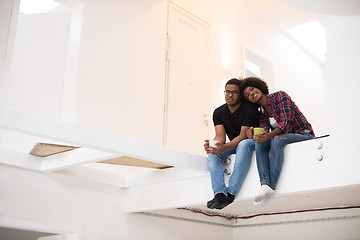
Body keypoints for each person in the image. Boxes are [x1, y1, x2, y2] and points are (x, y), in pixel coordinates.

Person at [241, 77, 315, 206]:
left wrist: (267, 135)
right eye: (248, 95)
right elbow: (264, 132)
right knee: (260, 142)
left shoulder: (280, 96)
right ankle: (264, 184)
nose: (251, 93)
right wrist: (254, 135)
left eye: (252, 89)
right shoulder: (262, 113)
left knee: (276, 139)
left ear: (259, 87)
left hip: (303, 134)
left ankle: (272, 188)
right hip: (285, 136)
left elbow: (285, 124)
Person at [204, 78, 259, 210]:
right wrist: (214, 146)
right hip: (234, 145)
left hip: (252, 142)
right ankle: (220, 194)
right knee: (212, 155)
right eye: (227, 92)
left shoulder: (249, 109)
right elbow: (220, 136)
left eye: (234, 92)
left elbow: (242, 136)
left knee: (243, 144)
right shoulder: (219, 112)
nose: (230, 95)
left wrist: (223, 147)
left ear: (240, 94)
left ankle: (231, 193)